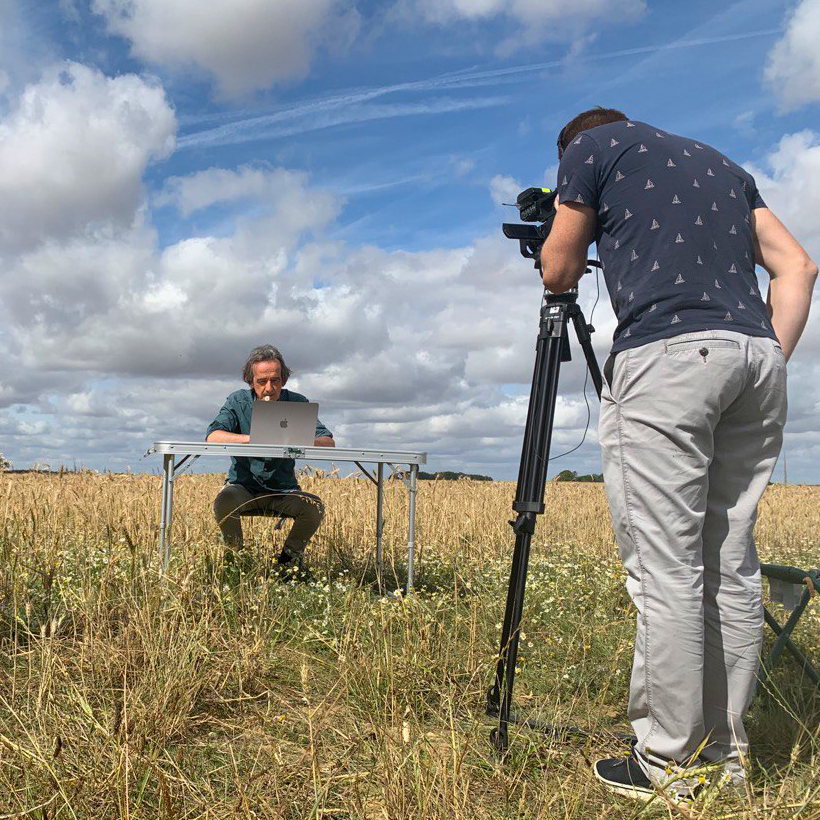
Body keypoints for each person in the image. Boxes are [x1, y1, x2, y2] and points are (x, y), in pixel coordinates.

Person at [541, 108, 817, 800]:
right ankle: (724, 758)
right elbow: (799, 267)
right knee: (729, 564)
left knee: (667, 567)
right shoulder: (723, 166)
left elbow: (559, 267)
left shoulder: (590, 148)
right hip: (755, 358)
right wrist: (769, 358)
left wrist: (562, 229)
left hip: (667, 356)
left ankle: (668, 763)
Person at [206, 344, 335, 578]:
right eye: (261, 381)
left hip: (284, 491)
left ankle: (287, 563)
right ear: (250, 381)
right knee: (224, 500)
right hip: (243, 488)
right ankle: (236, 561)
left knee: (314, 508)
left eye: (275, 381)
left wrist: (298, 439)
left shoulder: (298, 403)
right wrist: (253, 439)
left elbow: (327, 441)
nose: (268, 388)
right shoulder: (237, 402)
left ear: (283, 380)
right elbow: (214, 435)